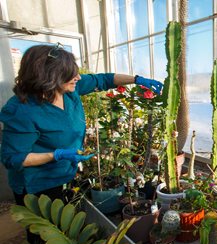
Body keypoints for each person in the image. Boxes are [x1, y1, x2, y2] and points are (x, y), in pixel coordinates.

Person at [0, 43, 163, 206]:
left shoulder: (69, 89)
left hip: (66, 173)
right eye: (71, 74)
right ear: (50, 77)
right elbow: (13, 158)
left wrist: (136, 79)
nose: (78, 77)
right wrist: (57, 155)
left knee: (67, 221)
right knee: (46, 229)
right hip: (38, 185)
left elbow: (104, 79)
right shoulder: (22, 110)